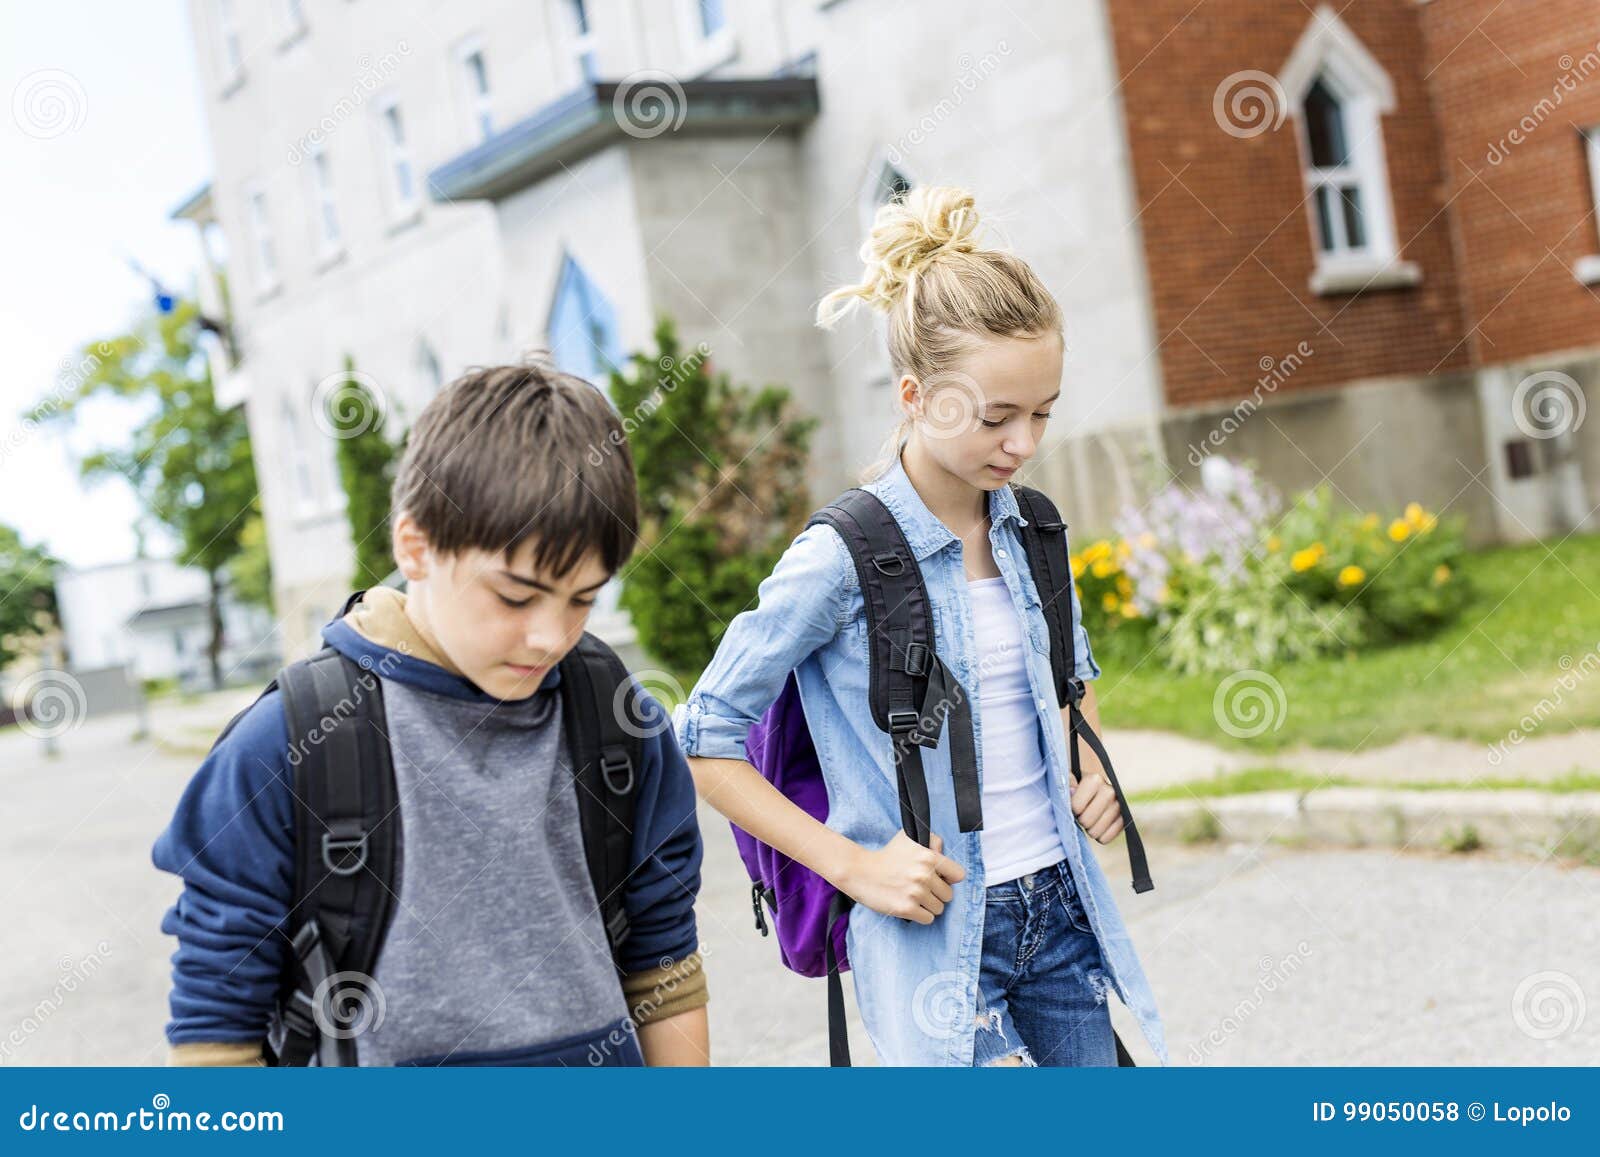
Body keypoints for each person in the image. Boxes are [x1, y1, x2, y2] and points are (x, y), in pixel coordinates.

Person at [674, 186, 1167, 1067]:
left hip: (1061, 912)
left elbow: (1067, 689)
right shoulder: (840, 557)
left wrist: (1088, 766)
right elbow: (704, 734)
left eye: (1043, 411)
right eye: (995, 417)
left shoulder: (1035, 529)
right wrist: (853, 868)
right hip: (933, 937)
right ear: (915, 395)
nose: (1023, 442)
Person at [153, 363, 708, 1066]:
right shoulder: (286, 745)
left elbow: (664, 960)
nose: (551, 634)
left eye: (583, 598)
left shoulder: (615, 717)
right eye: (515, 596)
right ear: (414, 545)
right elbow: (216, 1026)